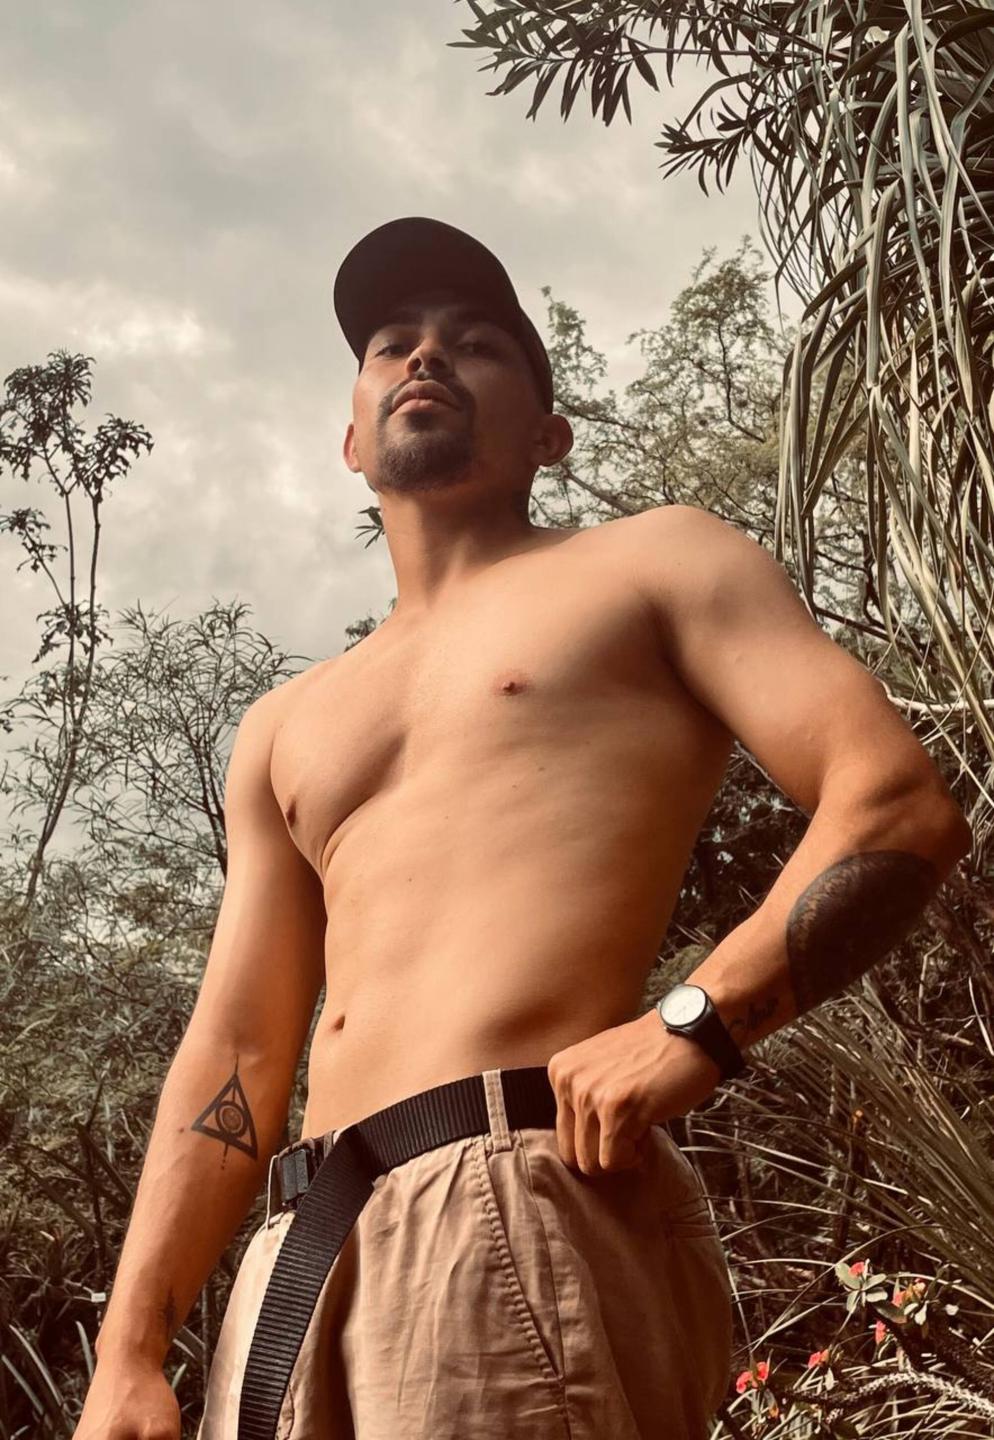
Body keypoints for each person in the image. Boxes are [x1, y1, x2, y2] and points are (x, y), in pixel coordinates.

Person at [72, 217, 971, 1440]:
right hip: (296, 1262)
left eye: (476, 342)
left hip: (509, 1194)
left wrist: (695, 1023)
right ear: (352, 439)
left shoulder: (651, 563)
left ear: (550, 433)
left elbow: (894, 803)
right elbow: (237, 1048)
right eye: (391, 343)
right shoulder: (284, 725)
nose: (424, 355)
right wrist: (129, 1351)